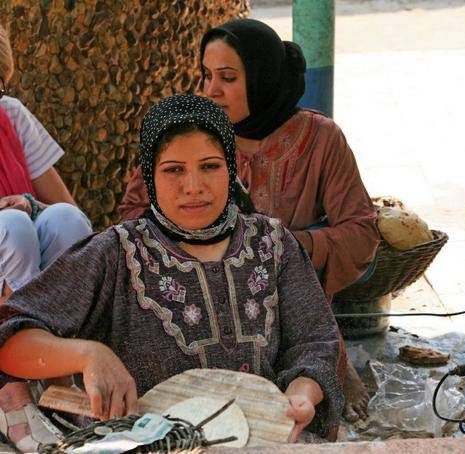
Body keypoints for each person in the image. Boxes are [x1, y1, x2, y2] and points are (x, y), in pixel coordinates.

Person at [0, 94, 344, 444]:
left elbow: (314, 343)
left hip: (266, 442)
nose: (193, 186)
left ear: (232, 168)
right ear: (150, 175)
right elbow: (10, 343)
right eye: (174, 170)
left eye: (209, 166)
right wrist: (89, 355)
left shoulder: (273, 244)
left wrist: (303, 393)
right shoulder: (118, 253)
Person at [118, 18, 380, 422]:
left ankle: (324, 365)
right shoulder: (193, 131)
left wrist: (291, 246)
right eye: (206, 75)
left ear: (263, 76)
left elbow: (362, 231)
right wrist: (192, 238)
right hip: (192, 287)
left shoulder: (321, 139)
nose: (211, 90)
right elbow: (134, 213)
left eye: (228, 77)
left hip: (283, 295)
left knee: (294, 404)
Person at [0, 24, 92, 452]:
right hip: (10, 247)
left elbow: (65, 203)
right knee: (14, 229)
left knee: (66, 221)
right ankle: (11, 387)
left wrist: (30, 204)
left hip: (16, 261)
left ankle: (58, 374)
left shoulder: (10, 114)